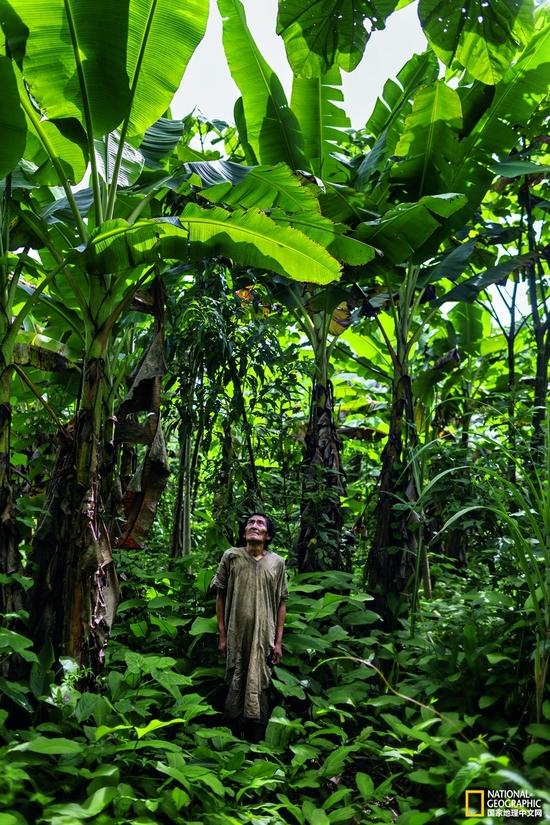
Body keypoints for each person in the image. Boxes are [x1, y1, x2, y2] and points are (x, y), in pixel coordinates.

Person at [212, 513, 288, 739]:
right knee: (236, 676)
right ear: (244, 531)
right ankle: (231, 737)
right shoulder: (231, 557)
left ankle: (257, 740)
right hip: (237, 633)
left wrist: (278, 642)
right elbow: (220, 596)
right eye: (250, 523)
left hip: (264, 635)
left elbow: (281, 602)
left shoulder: (277, 563)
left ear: (268, 535)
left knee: (259, 681)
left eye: (260, 523)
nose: (254, 526)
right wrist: (223, 635)